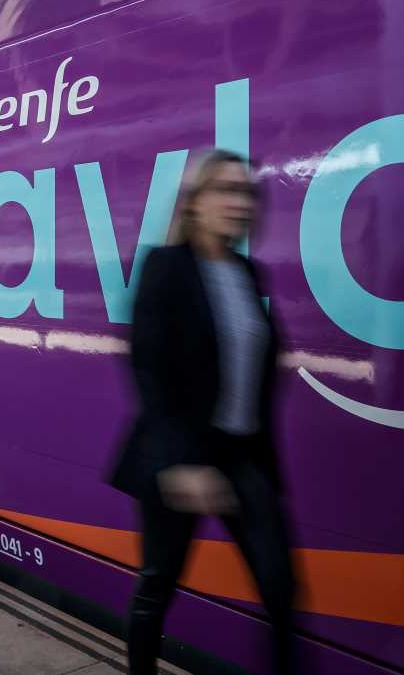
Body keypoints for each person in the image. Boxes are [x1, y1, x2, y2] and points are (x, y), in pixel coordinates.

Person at [109, 149, 297, 674]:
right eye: (225, 190)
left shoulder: (248, 273)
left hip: (244, 454)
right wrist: (178, 462)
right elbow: (149, 368)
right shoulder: (166, 268)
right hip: (182, 453)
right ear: (195, 204)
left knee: (280, 586)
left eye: (246, 192)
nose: (238, 202)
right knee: (159, 581)